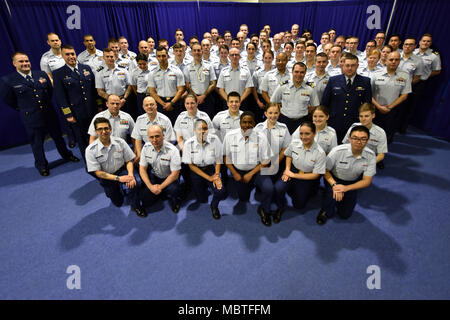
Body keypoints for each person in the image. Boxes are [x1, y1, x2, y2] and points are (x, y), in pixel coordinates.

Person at [0, 52, 80, 176]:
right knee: (37, 143)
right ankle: (42, 165)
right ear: (14, 63)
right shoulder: (8, 80)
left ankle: (66, 155)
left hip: (49, 114)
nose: (25, 63)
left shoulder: (41, 75)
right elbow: (9, 100)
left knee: (58, 138)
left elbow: (49, 92)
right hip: (32, 117)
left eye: (26, 61)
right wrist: (24, 108)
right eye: (21, 61)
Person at [316, 125, 376, 225]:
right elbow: (325, 171)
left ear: (368, 140)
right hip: (334, 179)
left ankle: (338, 197)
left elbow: (367, 181)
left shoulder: (370, 155)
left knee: (345, 215)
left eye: (363, 139)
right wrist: (335, 185)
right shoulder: (337, 151)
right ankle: (325, 210)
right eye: (355, 138)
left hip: (352, 182)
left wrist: (345, 188)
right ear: (349, 138)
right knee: (332, 197)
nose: (358, 141)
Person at [85, 117, 145, 216]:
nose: (104, 131)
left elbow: (129, 160)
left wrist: (130, 175)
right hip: (106, 175)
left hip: (121, 170)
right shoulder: (90, 150)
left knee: (133, 183)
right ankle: (116, 190)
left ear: (110, 129)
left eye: (106, 128)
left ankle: (136, 206)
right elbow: (98, 172)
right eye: (100, 129)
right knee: (117, 202)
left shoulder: (120, 142)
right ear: (96, 131)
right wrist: (118, 179)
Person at [223, 111, 273, 226]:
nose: (247, 125)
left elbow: (266, 161)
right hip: (238, 171)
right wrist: (234, 173)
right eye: (244, 122)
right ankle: (248, 188)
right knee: (243, 199)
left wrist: (251, 174)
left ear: (254, 123)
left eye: (250, 122)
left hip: (257, 170)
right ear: (240, 123)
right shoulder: (230, 136)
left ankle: (264, 210)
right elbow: (226, 157)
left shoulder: (261, 137)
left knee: (269, 188)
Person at [53, 45, 97, 162]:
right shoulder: (58, 73)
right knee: (82, 139)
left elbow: (93, 90)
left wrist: (99, 107)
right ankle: (89, 161)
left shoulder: (86, 68)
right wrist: (68, 115)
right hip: (77, 113)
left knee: (96, 135)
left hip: (92, 110)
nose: (71, 56)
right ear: (62, 56)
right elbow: (60, 97)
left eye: (72, 54)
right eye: (67, 54)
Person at [279, 121, 326, 218]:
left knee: (299, 205)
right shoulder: (295, 143)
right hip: (292, 170)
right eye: (301, 133)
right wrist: (287, 170)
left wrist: (294, 175)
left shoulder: (320, 153)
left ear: (314, 133)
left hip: (306, 177)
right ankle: (280, 208)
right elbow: (288, 155)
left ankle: (298, 190)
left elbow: (316, 175)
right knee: (279, 188)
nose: (303, 137)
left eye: (307, 133)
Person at [321, 53, 372, 142]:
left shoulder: (365, 81)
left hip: (354, 122)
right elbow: (324, 103)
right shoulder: (333, 80)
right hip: (334, 121)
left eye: (353, 65)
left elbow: (367, 105)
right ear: (343, 65)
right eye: (347, 65)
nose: (349, 68)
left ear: (357, 66)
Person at [182, 119, 227, 219]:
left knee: (220, 191)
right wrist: (208, 178)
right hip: (196, 171)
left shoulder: (215, 140)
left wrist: (216, 176)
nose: (202, 131)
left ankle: (214, 206)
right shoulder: (188, 143)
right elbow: (191, 166)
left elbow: (218, 159)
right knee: (202, 199)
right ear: (194, 130)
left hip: (210, 169)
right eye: (199, 129)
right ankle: (204, 188)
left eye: (205, 128)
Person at [254, 103, 291, 223]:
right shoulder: (258, 128)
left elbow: (286, 148)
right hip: (262, 165)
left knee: (279, 188)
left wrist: (275, 164)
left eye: (276, 113)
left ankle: (280, 209)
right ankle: (264, 210)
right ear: (265, 114)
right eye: (270, 113)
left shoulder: (283, 128)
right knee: (269, 188)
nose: (273, 115)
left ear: (279, 113)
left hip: (278, 165)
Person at [138, 124, 183, 214]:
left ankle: (175, 201)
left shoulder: (173, 150)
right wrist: (151, 186)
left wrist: (160, 187)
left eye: (157, 136)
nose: (154, 140)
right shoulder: (146, 148)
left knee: (174, 190)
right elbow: (142, 169)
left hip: (169, 178)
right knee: (145, 201)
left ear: (163, 136)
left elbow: (175, 175)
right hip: (155, 177)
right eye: (151, 137)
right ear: (148, 138)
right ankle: (160, 194)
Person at [371, 51, 411, 144]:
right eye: (391, 59)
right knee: (372, 134)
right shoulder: (376, 74)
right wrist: (379, 107)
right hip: (375, 109)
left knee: (387, 136)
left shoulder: (405, 76)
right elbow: (369, 93)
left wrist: (390, 107)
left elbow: (404, 95)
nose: (393, 62)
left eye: (396, 60)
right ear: (385, 61)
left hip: (393, 110)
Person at [271, 62, 320, 134]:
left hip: (302, 121)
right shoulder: (283, 86)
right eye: (296, 72)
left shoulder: (310, 88)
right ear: (292, 72)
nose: (299, 75)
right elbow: (273, 101)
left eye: (302, 72)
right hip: (284, 121)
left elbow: (315, 105)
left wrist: (305, 110)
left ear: (305, 73)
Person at [131, 96, 175, 165]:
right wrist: (140, 155)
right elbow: (138, 140)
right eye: (147, 105)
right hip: (146, 152)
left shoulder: (165, 120)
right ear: (143, 107)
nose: (149, 107)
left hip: (162, 152)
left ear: (156, 106)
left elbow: (168, 141)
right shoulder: (139, 120)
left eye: (152, 104)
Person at [342, 103, 387, 168]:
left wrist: (368, 164)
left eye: (366, 116)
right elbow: (345, 145)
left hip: (368, 160)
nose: (363, 119)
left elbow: (381, 155)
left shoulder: (380, 132)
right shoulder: (353, 127)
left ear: (373, 115)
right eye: (361, 116)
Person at [148, 46, 185, 124]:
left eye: (163, 56)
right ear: (156, 57)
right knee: (161, 128)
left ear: (168, 56)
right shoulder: (152, 73)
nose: (161, 58)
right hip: (160, 104)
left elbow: (181, 89)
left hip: (175, 103)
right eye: (159, 56)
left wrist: (171, 103)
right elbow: (152, 91)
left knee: (176, 127)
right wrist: (163, 104)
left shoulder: (176, 70)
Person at [95, 48, 134, 118]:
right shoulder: (99, 72)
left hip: (123, 101)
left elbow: (130, 85)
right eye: (107, 56)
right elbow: (99, 91)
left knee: (126, 121)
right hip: (109, 103)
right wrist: (111, 100)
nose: (110, 58)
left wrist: (124, 98)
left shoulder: (123, 69)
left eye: (111, 56)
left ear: (115, 57)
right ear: (103, 57)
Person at [183, 43, 217, 119]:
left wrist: (203, 96)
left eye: (198, 50)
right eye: (194, 50)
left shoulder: (209, 65)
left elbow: (213, 83)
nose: (197, 52)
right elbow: (187, 85)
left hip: (207, 98)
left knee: (208, 119)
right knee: (194, 120)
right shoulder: (187, 67)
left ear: (202, 51)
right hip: (193, 99)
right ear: (191, 52)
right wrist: (196, 97)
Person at [252, 50, 275, 121]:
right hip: (261, 98)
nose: (267, 60)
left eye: (269, 58)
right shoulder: (258, 71)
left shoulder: (276, 70)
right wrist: (258, 101)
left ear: (273, 58)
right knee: (260, 120)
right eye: (266, 58)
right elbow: (254, 88)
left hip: (272, 97)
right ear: (263, 58)